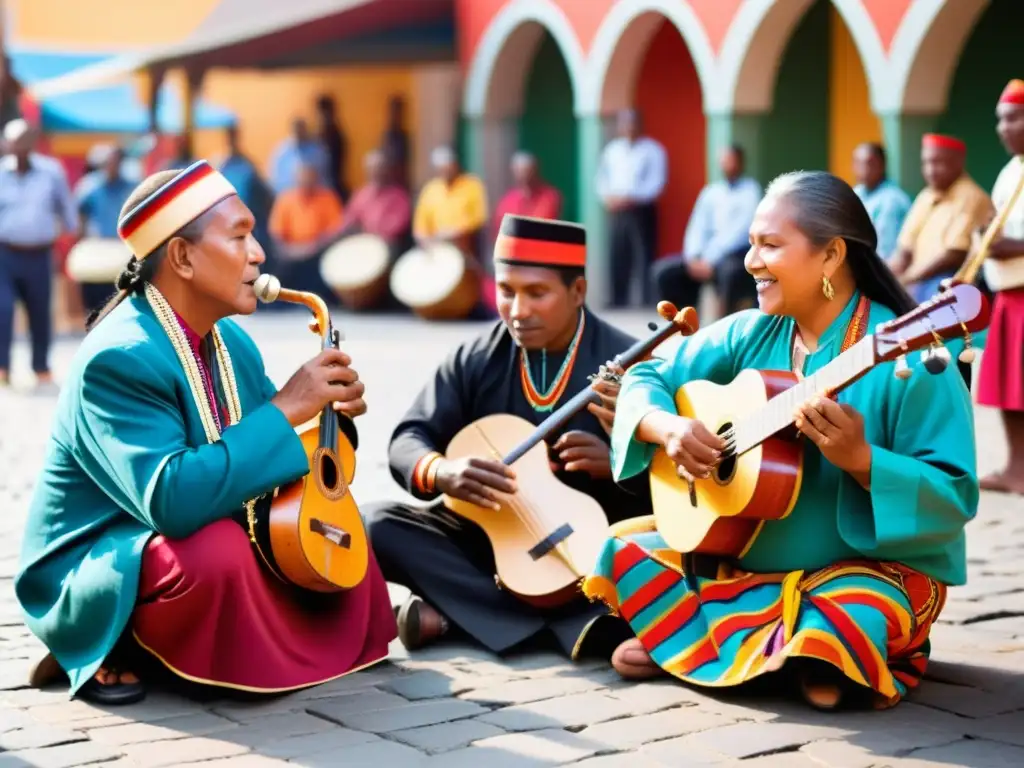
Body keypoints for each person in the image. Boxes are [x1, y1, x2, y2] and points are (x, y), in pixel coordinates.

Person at [582, 171, 978, 712]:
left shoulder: (907, 359)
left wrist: (864, 463)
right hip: (740, 560)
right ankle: (773, 654)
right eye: (751, 244)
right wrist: (667, 428)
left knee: (853, 614)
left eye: (770, 245)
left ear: (831, 255)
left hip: (854, 576)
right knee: (621, 550)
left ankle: (697, 639)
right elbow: (647, 377)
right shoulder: (752, 331)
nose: (750, 261)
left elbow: (955, 495)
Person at [15, 160, 397, 706]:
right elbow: (172, 499)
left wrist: (330, 423)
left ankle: (253, 642)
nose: (259, 252)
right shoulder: (118, 359)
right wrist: (289, 408)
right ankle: (108, 638)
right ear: (182, 257)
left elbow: (268, 461)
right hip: (103, 556)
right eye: (240, 235)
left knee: (336, 531)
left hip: (205, 520)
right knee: (217, 554)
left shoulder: (231, 343)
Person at [364, 214, 652, 660]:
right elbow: (410, 437)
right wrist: (442, 472)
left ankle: (466, 617)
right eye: (506, 291)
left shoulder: (630, 364)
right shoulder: (477, 357)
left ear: (578, 291)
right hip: (493, 538)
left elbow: (680, 480)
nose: (518, 310)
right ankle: (564, 629)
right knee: (375, 523)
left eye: (537, 293)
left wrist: (621, 462)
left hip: (590, 553)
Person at [0, 119, 78, 391]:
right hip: (5, 255)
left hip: (39, 254)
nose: (19, 147)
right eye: (14, 141)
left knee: (39, 312)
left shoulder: (51, 172)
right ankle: (3, 368)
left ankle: (41, 367)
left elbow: (66, 211)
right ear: (6, 144)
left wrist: (70, 232)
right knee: (3, 309)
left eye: (24, 140)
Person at [975, 79, 1024, 495]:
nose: (1003, 127)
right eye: (1000, 120)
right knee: (1010, 389)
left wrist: (1011, 246)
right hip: (1007, 294)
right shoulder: (1010, 171)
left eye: (1012, 118)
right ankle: (1015, 469)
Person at [651, 144, 760, 317]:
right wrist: (693, 257)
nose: (728, 165)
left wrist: (711, 258)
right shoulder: (711, 192)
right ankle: (680, 321)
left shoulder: (750, 191)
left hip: (731, 255)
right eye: (724, 161)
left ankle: (724, 324)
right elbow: (697, 225)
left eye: (731, 161)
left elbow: (740, 232)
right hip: (703, 257)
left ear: (740, 163)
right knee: (664, 272)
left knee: (730, 273)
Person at [891, 134, 992, 303]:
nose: (930, 170)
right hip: (917, 281)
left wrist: (908, 279)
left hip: (951, 283)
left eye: (938, 162)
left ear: (958, 162)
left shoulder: (971, 196)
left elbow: (954, 254)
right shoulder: (926, 195)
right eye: (926, 163)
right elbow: (905, 248)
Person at [596, 109, 667, 307]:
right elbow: (602, 178)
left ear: (640, 125)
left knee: (643, 254)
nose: (629, 128)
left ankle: (646, 300)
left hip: (641, 209)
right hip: (616, 210)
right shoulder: (612, 150)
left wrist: (632, 197)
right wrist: (609, 197)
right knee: (617, 254)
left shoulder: (653, 150)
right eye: (625, 123)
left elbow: (657, 182)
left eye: (633, 123)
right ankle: (617, 299)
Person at [852, 142, 911, 262]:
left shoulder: (892, 200)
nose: (862, 168)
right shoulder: (856, 192)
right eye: (857, 162)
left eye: (869, 163)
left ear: (882, 165)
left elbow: (885, 253)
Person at [491, 152, 562, 238]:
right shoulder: (507, 200)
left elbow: (545, 224)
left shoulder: (549, 197)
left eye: (527, 170)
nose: (524, 175)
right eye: (519, 170)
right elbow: (500, 229)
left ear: (535, 170)